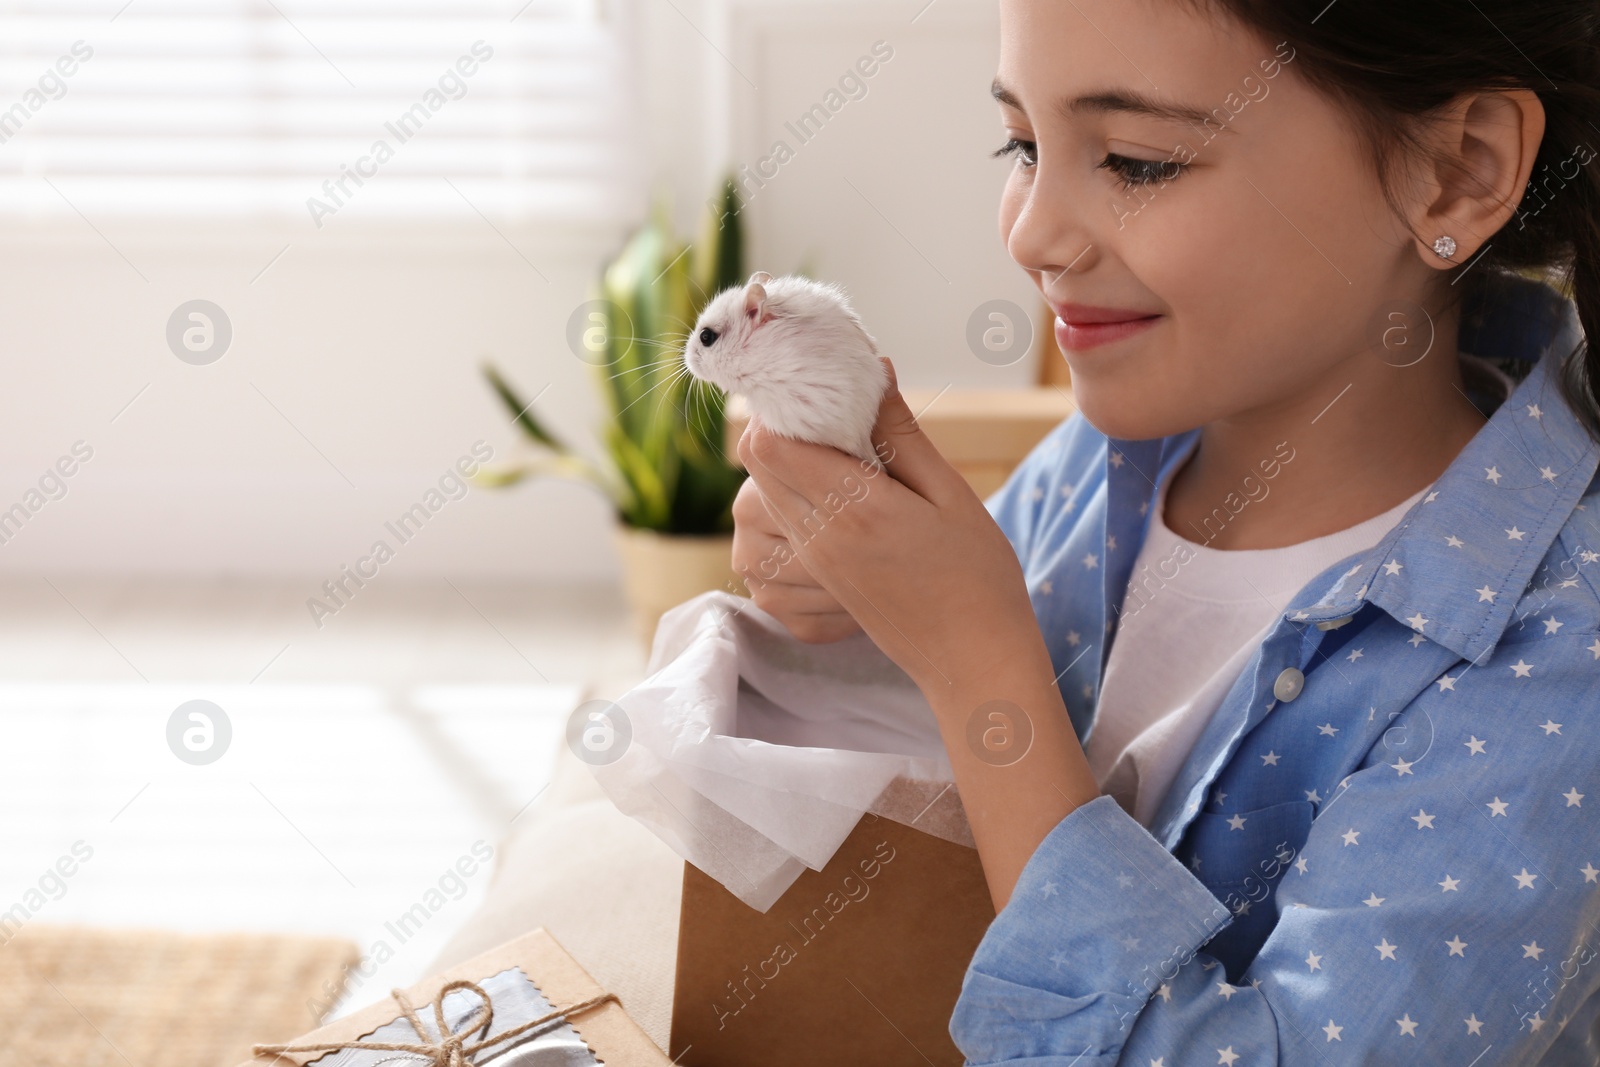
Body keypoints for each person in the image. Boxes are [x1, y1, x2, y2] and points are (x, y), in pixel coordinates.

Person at [731, 0, 1600, 1061]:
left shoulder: (1555, 660)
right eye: (1021, 143)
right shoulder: (1103, 466)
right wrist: (856, 601)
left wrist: (978, 662)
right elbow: (945, 794)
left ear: (1456, 170)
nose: (1031, 234)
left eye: (1136, 161)